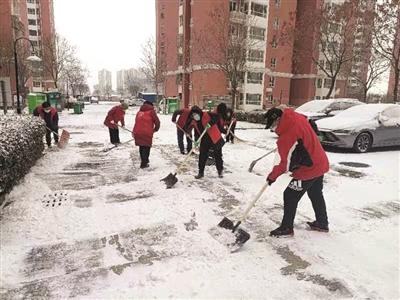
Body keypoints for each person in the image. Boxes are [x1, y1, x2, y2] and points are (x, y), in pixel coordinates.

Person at [264, 107, 330, 237]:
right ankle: (322, 223)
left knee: (290, 195)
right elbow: (309, 121)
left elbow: (284, 165)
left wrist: (272, 176)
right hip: (320, 161)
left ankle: (286, 228)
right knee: (315, 192)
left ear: (278, 120)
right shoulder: (296, 117)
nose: (272, 129)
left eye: (272, 125)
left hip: (309, 169)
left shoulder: (287, 137)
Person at [190, 106, 225, 179]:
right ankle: (201, 172)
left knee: (217, 155)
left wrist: (210, 123)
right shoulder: (195, 121)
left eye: (196, 114)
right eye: (193, 115)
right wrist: (196, 141)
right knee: (202, 156)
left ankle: (220, 170)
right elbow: (196, 132)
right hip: (205, 139)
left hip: (214, 137)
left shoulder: (207, 114)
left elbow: (217, 117)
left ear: (199, 112)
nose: (195, 116)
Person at [132, 101, 160, 168]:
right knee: (146, 147)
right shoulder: (151, 112)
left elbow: (136, 122)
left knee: (141, 146)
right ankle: (144, 163)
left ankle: (144, 161)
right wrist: (155, 129)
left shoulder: (139, 112)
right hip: (147, 132)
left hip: (138, 132)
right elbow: (157, 122)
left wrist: (134, 131)